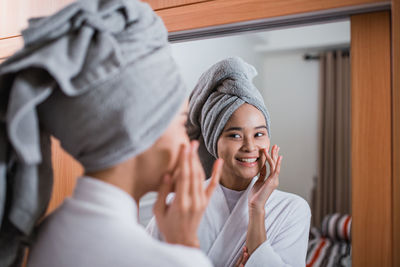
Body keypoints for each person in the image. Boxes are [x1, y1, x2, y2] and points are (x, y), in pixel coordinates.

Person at [0, 0, 223, 266]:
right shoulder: (173, 261)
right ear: (139, 129)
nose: (190, 142)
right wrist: (186, 247)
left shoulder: (48, 233)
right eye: (181, 123)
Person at [147, 57, 311, 267]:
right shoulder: (176, 206)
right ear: (214, 141)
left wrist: (257, 209)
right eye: (235, 135)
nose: (250, 147)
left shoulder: (292, 209)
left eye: (259, 134)